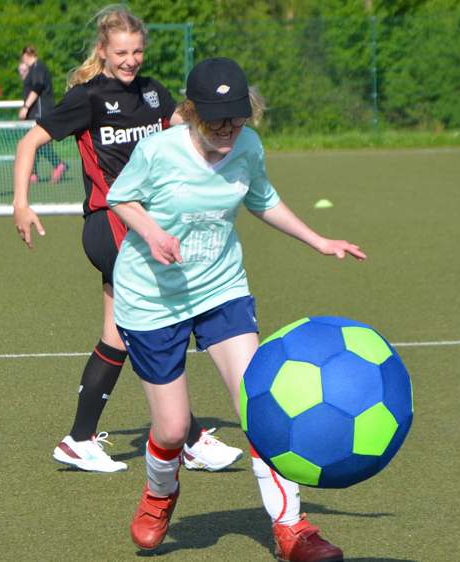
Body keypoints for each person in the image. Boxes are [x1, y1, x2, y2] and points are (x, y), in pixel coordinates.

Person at [109, 57, 365, 559]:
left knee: (260, 408)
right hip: (151, 299)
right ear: (191, 112)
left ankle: (294, 528)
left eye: (236, 115)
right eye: (216, 118)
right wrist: (153, 231)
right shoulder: (158, 151)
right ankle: (160, 494)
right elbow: (121, 199)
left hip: (220, 289)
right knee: (173, 429)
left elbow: (262, 198)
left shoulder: (247, 145)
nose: (228, 127)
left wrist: (317, 239)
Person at [13, 6, 243, 473]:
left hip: (140, 225)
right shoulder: (87, 97)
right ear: (103, 50)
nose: (130, 59)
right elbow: (28, 143)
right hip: (108, 223)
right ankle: (190, 437)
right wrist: (21, 203)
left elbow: (183, 133)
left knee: (117, 334)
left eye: (137, 51)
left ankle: (80, 439)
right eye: (121, 52)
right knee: (157, 321)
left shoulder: (155, 95)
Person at [17, 45, 65, 184]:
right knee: (32, 142)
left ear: (25, 55)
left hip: (40, 111)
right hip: (37, 111)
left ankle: (58, 164)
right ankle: (33, 173)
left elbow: (37, 87)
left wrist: (26, 107)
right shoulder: (35, 68)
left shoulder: (37, 66)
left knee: (36, 141)